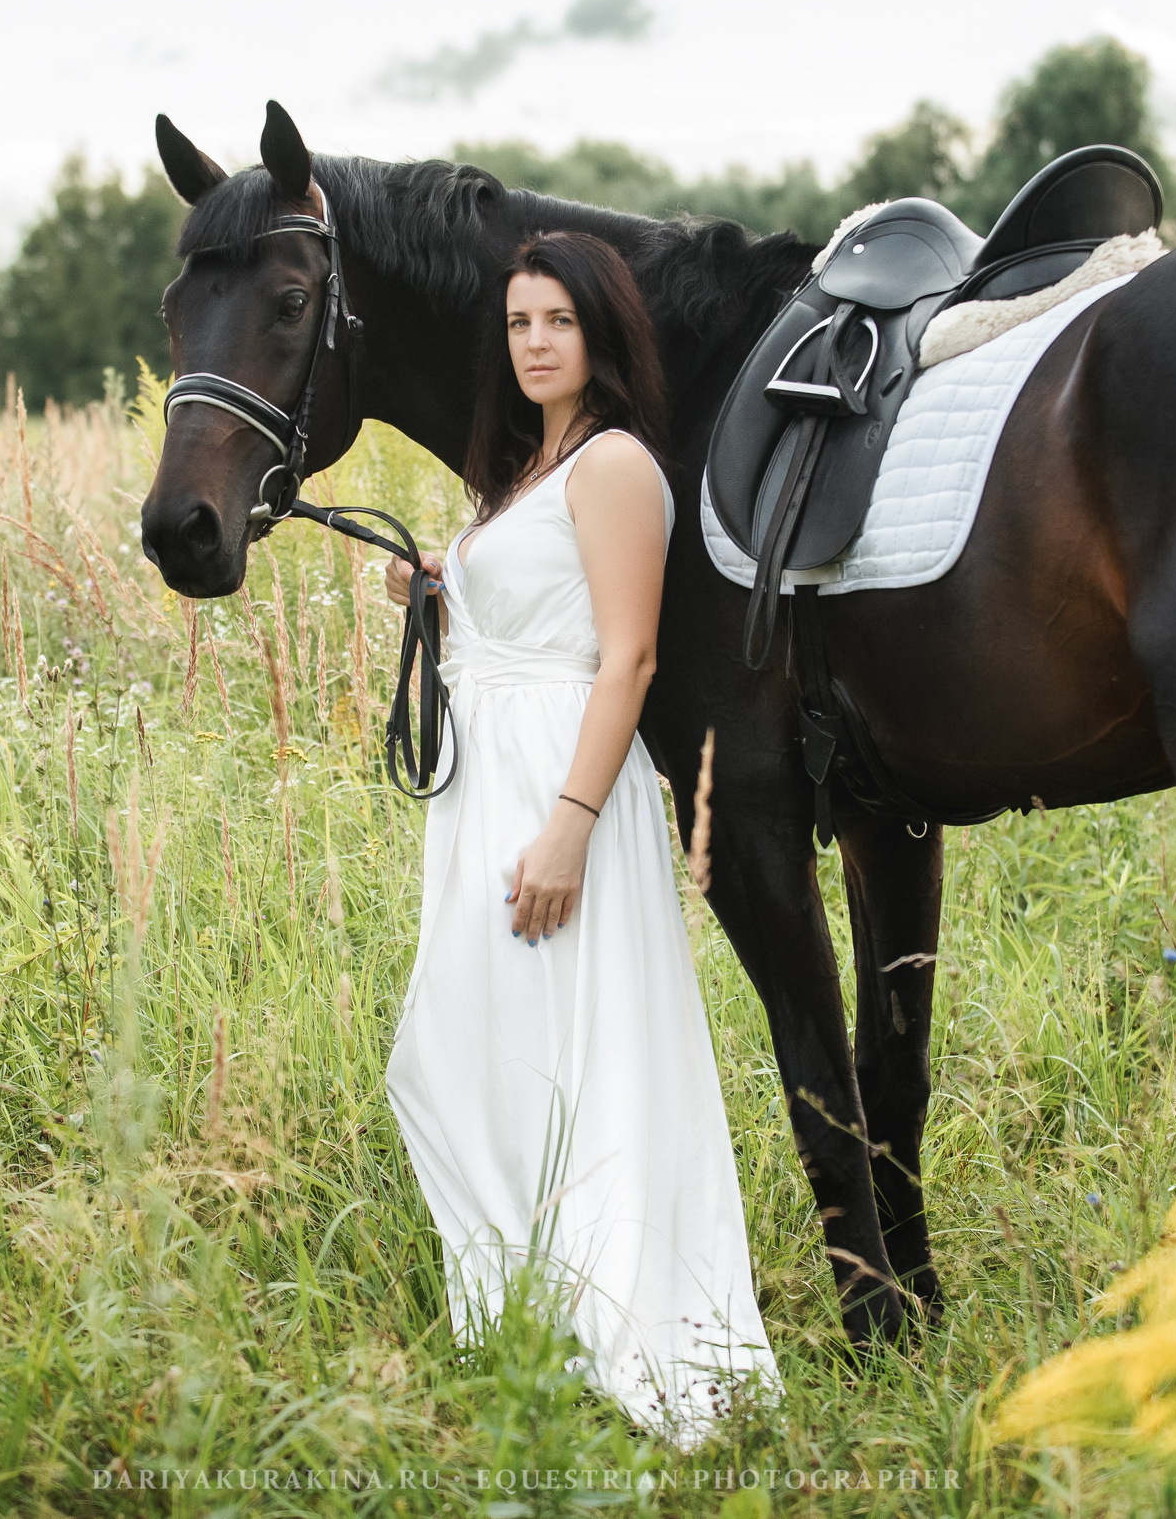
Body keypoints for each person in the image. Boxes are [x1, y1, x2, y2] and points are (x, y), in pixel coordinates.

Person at [382, 229, 779, 1443]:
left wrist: (570, 824)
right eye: (517, 324)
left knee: (571, 1043)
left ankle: (617, 1314)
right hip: (485, 776)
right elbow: (529, 599)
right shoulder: (522, 470)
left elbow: (628, 656)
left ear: (600, 333)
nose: (535, 342)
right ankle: (524, 1306)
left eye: (557, 320)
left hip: (556, 779)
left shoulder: (612, 465)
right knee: (479, 1041)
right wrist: (445, 588)